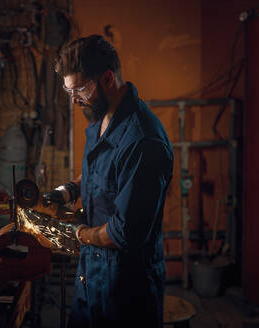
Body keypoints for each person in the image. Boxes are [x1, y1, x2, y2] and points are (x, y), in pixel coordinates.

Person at [45, 34, 174, 327]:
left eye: (79, 88)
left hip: (126, 287)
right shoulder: (98, 119)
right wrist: (67, 191)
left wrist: (76, 234)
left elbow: (123, 232)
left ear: (106, 78)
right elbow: (99, 175)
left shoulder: (142, 141)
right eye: (69, 91)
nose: (74, 98)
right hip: (91, 272)